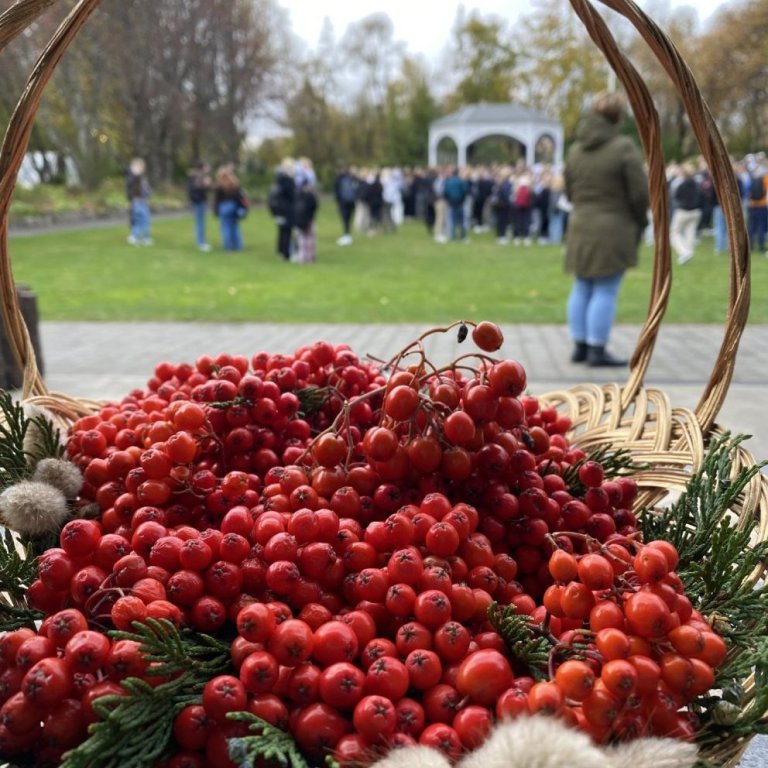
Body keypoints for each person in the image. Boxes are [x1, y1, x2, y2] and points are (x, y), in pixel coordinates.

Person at [564, 91, 649, 367]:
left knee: (582, 285)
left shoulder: (575, 150)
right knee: (605, 289)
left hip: (580, 224)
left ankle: (580, 345)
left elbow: (569, 189)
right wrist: (641, 219)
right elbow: (639, 193)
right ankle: (597, 349)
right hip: (614, 226)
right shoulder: (623, 147)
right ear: (618, 117)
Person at [669, 162, 702, 265]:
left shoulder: (682, 184)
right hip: (696, 211)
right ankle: (689, 253)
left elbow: (676, 196)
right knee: (690, 233)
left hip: (683, 211)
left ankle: (684, 253)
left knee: (674, 233)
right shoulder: (697, 184)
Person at [213, 164, 246, 251]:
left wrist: (216, 210)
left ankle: (228, 246)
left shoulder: (220, 186)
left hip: (224, 207)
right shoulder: (234, 183)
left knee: (225, 227)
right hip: (234, 206)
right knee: (235, 226)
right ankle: (238, 245)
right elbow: (239, 197)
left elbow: (217, 199)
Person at [270, 158, 297, 260]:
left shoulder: (279, 180)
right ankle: (286, 253)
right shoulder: (287, 181)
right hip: (287, 209)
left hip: (279, 209)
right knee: (287, 231)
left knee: (282, 231)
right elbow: (292, 195)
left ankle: (281, 251)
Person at [126, 158, 152, 245]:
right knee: (139, 221)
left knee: (141, 221)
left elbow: (147, 191)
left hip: (140, 202)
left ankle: (141, 237)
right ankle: (140, 237)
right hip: (138, 202)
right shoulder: (134, 179)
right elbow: (130, 188)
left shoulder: (140, 179)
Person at [187, 160, 212, 252]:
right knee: (200, 223)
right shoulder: (198, 177)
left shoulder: (198, 177)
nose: (209, 169)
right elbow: (195, 190)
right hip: (198, 202)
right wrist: (205, 185)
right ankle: (201, 243)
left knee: (201, 223)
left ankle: (202, 242)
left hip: (200, 202)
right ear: (203, 167)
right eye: (207, 167)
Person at [293, 179, 319, 263]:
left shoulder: (298, 195)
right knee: (309, 239)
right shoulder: (310, 196)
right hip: (308, 219)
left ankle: (304, 256)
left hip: (300, 220)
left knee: (302, 239)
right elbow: (314, 206)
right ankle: (309, 256)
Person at [443, 167, 468, 242]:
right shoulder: (460, 181)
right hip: (459, 202)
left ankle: (453, 236)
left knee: (452, 219)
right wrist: (463, 200)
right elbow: (464, 191)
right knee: (462, 220)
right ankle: (463, 236)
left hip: (451, 202)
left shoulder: (449, 181)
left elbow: (445, 192)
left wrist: (448, 200)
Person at [334, 166, 357, 245]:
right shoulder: (352, 178)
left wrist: (338, 202)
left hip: (343, 202)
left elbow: (336, 191)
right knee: (348, 219)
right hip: (350, 202)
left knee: (345, 219)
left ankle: (346, 235)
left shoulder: (339, 179)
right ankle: (347, 234)